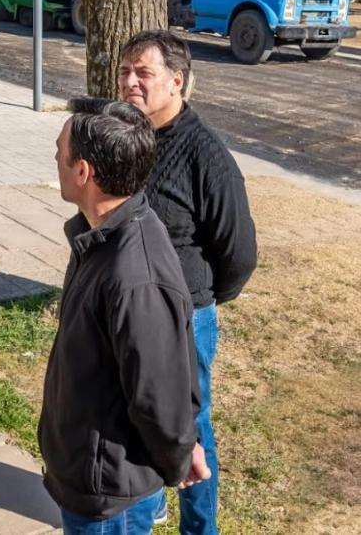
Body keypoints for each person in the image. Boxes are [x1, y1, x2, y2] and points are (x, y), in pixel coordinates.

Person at [39, 99, 210, 535]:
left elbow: (159, 393)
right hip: (91, 473)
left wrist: (177, 453)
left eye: (60, 149)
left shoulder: (135, 275)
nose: (55, 157)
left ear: (84, 172)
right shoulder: (104, 235)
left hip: (110, 493)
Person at [118, 30, 257, 535]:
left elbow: (239, 252)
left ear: (176, 82)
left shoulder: (207, 156)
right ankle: (148, 503)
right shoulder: (126, 137)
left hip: (185, 318)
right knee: (136, 417)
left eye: (143, 73)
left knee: (190, 428)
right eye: (125, 71)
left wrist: (201, 298)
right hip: (130, 312)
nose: (130, 82)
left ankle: (200, 529)